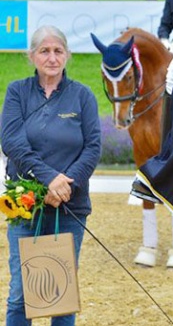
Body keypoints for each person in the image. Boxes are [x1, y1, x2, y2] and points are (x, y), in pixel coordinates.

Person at [1, 25, 102, 325]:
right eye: (44, 51)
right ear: (32, 56)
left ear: (68, 55)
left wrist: (66, 185)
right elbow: (13, 143)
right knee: (20, 294)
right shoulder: (16, 92)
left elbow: (93, 147)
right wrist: (50, 180)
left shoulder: (83, 96)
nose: (52, 57)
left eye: (58, 51)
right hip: (25, 207)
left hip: (70, 208)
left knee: (62, 295)